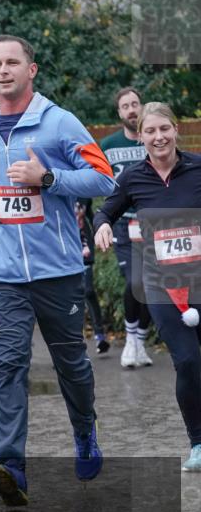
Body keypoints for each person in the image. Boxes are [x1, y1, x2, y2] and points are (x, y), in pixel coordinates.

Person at [0, 35, 115, 506]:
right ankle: (10, 465)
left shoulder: (59, 123)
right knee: (9, 366)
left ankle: (85, 432)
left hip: (59, 272)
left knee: (71, 365)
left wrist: (48, 179)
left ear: (32, 70)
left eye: (13, 62)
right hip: (5, 273)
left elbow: (105, 177)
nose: (3, 70)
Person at [93, 102, 201, 472]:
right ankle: (199, 443)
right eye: (150, 131)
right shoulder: (134, 178)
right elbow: (105, 210)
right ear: (140, 137)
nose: (159, 137)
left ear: (176, 130)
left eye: (164, 129)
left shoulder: (198, 168)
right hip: (162, 285)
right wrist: (103, 225)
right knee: (187, 360)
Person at [100, 88, 153, 368]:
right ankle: (131, 339)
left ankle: (140, 342)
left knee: (154, 286)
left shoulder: (153, 139)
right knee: (136, 282)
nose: (131, 110)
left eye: (135, 104)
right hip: (124, 224)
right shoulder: (109, 145)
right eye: (125, 106)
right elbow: (98, 183)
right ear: (119, 113)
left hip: (156, 226)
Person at [76, 198, 110, 354]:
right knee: (69, 296)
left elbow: (91, 216)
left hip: (83, 246)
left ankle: (100, 336)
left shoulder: (83, 195)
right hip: (62, 249)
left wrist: (100, 231)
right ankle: (68, 343)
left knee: (88, 291)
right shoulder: (53, 189)